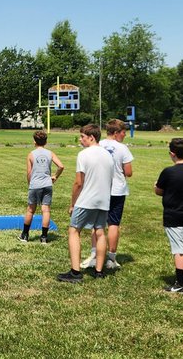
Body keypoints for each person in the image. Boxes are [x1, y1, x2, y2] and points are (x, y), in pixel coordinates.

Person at [57, 124, 115, 283]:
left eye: (82, 137)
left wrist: (73, 203)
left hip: (86, 200)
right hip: (103, 200)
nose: (80, 140)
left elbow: (78, 183)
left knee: (74, 231)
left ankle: (75, 272)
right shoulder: (108, 155)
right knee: (100, 232)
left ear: (92, 137)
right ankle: (99, 271)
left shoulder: (83, 154)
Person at [84, 119, 134, 269]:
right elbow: (129, 172)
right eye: (124, 132)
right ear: (117, 133)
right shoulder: (122, 148)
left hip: (99, 188)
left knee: (96, 224)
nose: (125, 135)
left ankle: (94, 255)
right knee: (113, 224)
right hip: (117, 190)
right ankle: (111, 258)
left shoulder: (99, 145)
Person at [156, 137, 183, 293]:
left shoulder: (169, 172)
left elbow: (159, 190)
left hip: (174, 215)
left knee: (179, 250)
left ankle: (182, 283)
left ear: (172, 153)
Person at [20, 130, 64, 244]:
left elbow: (29, 173)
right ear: (46, 141)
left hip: (35, 185)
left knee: (30, 210)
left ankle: (24, 235)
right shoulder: (50, 153)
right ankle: (44, 237)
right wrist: (55, 177)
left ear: (34, 141)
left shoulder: (31, 154)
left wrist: (29, 184)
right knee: (46, 210)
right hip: (47, 185)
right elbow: (61, 166)